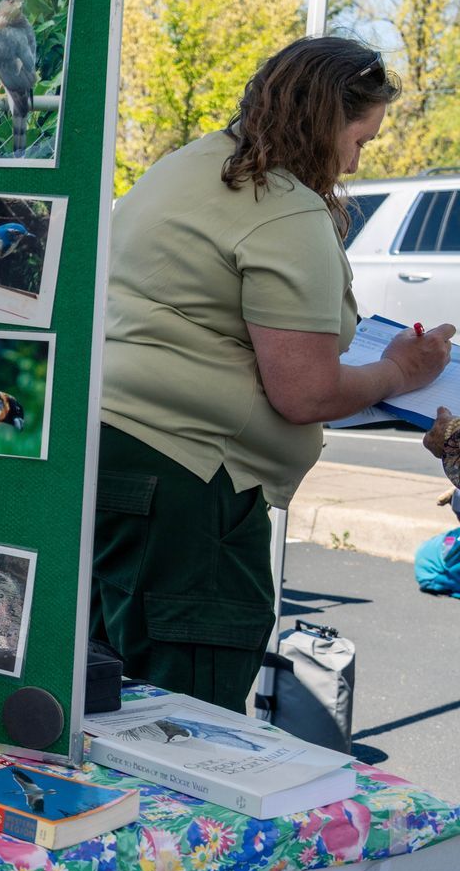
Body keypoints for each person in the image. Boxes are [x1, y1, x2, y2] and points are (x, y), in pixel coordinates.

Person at [93, 37, 454, 710]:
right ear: (321, 121)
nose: (355, 159)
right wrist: (399, 370)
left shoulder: (188, 165)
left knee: (109, 695)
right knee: (184, 714)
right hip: (193, 486)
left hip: (111, 458)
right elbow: (306, 391)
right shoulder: (284, 206)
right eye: (361, 138)